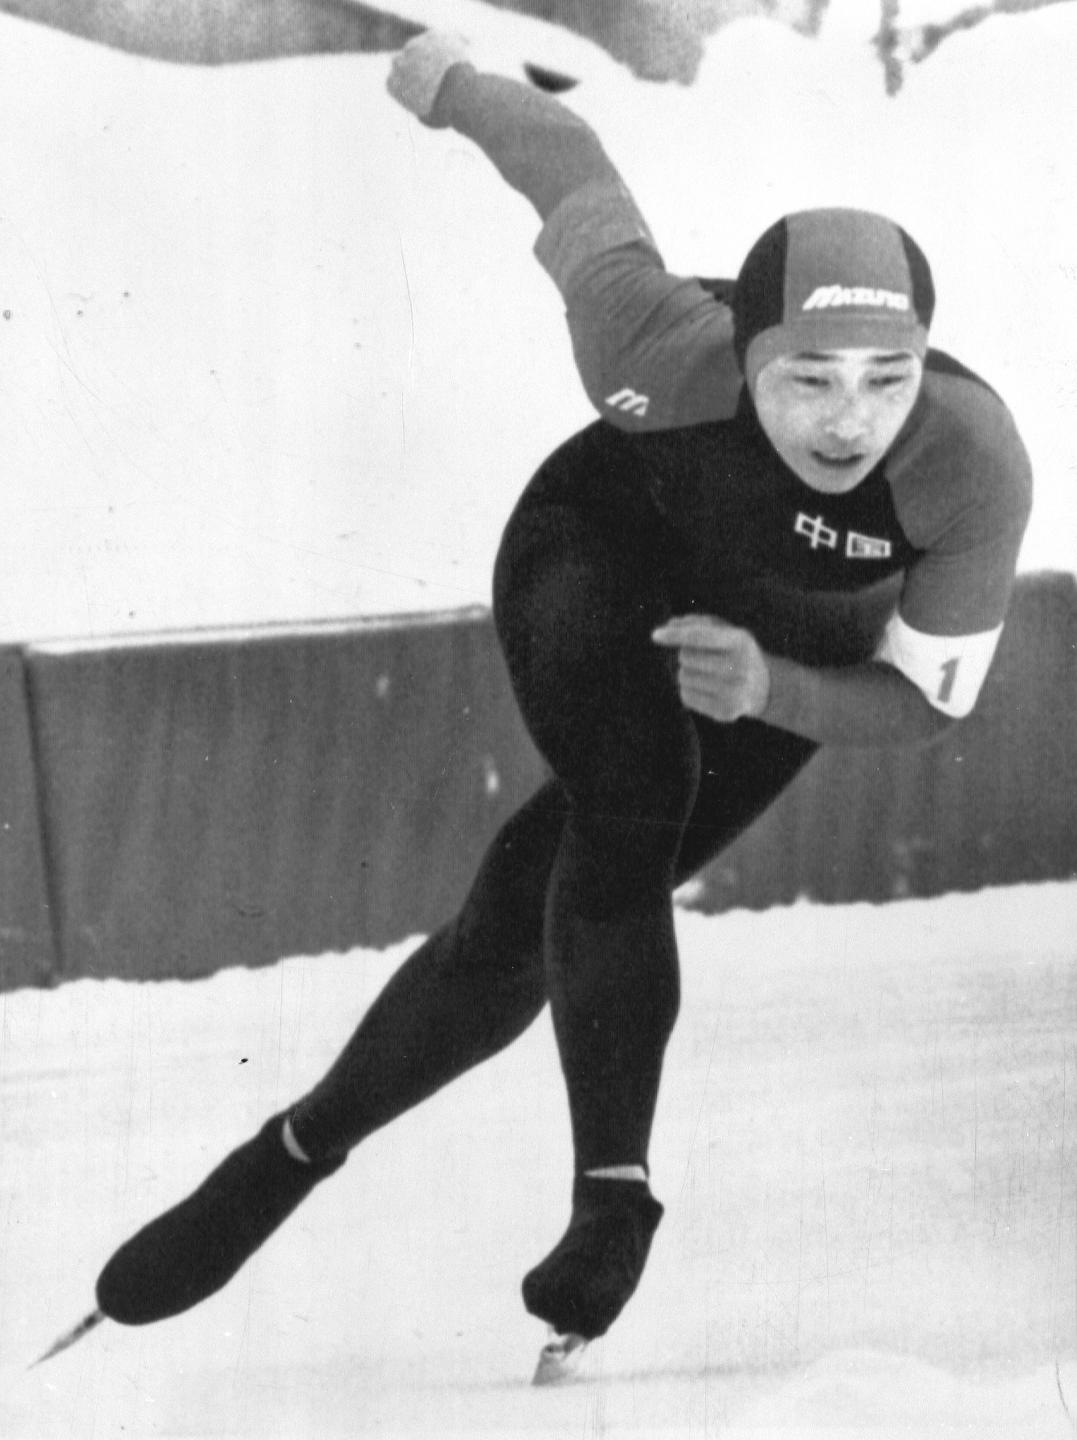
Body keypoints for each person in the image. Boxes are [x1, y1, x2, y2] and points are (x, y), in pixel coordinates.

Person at [91, 33, 1033, 1371]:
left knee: (516, 923)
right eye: (808, 377)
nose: (847, 420)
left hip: (793, 647)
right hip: (599, 547)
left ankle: (287, 1151)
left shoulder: (969, 468)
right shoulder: (648, 332)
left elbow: (925, 704)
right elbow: (565, 160)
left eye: (887, 378)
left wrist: (775, 685)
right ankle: (615, 1196)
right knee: (632, 797)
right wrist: (451, 81)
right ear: (744, 351)